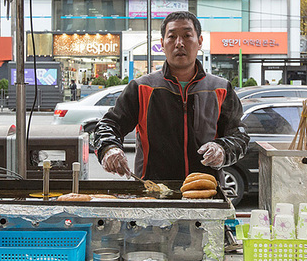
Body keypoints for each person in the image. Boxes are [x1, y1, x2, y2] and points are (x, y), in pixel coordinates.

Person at [93, 10, 249, 181]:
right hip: (154, 192)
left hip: (206, 191)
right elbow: (109, 124)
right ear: (162, 43)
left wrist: (223, 149)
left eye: (187, 35)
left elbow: (238, 135)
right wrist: (109, 148)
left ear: (200, 41)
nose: (179, 43)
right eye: (172, 37)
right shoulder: (141, 88)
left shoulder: (220, 89)